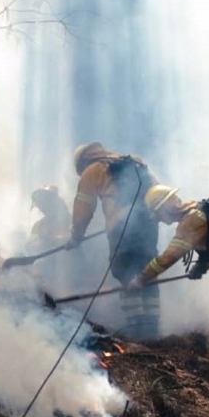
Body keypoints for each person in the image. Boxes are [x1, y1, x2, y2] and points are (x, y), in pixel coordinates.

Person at [125, 184, 209, 367]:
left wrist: (141, 278)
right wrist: (200, 267)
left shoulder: (190, 221)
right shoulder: (196, 214)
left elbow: (167, 258)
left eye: (158, 214)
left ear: (166, 207)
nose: (159, 220)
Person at [64, 142, 161, 339]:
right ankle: (152, 326)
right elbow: (157, 190)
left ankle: (137, 327)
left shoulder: (93, 170)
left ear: (82, 162)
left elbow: (83, 208)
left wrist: (76, 237)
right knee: (148, 271)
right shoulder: (135, 162)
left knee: (125, 271)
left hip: (121, 227)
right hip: (149, 224)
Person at [27, 186, 71, 254]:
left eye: (44, 204)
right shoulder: (39, 225)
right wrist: (40, 244)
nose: (42, 209)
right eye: (40, 205)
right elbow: (29, 245)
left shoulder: (70, 219)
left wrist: (53, 239)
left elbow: (74, 236)